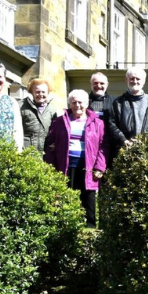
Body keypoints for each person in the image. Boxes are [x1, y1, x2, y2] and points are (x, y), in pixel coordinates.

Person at [43, 89, 107, 228]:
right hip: (65, 166)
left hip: (88, 167)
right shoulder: (59, 122)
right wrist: (52, 165)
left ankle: (89, 229)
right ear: (69, 104)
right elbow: (50, 144)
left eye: (81, 102)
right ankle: (66, 228)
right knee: (66, 198)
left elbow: (103, 146)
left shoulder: (97, 123)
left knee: (88, 200)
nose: (77, 105)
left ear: (87, 103)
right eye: (74, 102)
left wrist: (99, 167)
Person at [106, 67, 148, 153]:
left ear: (144, 81)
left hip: (147, 150)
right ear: (126, 80)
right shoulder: (118, 103)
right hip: (124, 150)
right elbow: (111, 124)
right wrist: (124, 140)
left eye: (138, 79)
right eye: (132, 78)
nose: (135, 81)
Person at [21, 78, 61, 152]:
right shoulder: (21, 106)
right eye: (37, 92)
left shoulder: (52, 110)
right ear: (31, 92)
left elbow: (54, 131)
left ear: (48, 92)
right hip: (26, 154)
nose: (41, 95)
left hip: (45, 154)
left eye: (43, 92)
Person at [0, 63, 23, 151]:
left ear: (5, 79)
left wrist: (18, 152)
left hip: (5, 155)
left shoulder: (12, 102)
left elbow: (17, 131)